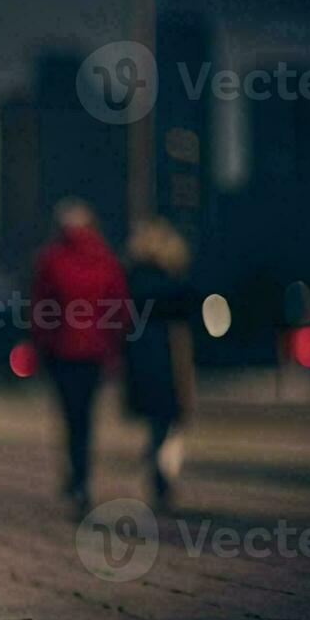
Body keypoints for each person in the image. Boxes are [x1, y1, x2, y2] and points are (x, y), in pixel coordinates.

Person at [30, 199, 128, 515]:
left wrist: (40, 345)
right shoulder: (105, 259)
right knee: (86, 417)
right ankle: (81, 479)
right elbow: (119, 309)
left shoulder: (51, 259)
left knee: (70, 416)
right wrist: (113, 348)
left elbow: (40, 309)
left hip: (61, 351)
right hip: (95, 352)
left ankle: (76, 477)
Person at [122, 218, 196, 513]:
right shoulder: (173, 279)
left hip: (141, 355)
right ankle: (159, 474)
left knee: (158, 421)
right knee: (168, 420)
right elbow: (190, 307)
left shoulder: (132, 277)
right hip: (169, 354)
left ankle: (156, 470)